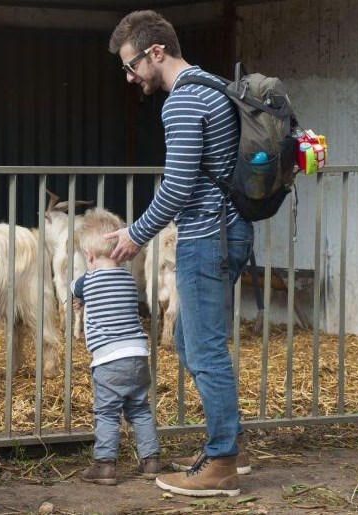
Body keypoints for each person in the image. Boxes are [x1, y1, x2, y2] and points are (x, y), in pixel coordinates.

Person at [106, 10, 254, 497]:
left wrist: (136, 234)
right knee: (191, 340)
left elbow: (179, 185)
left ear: (156, 53)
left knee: (205, 348)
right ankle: (227, 444)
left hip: (207, 237)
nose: (129, 79)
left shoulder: (183, 100)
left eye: (131, 66)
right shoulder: (213, 84)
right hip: (231, 231)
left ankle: (223, 464)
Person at [70, 207, 162, 486]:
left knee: (107, 413)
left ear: (88, 256)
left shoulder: (88, 280)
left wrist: (80, 299)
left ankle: (105, 464)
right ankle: (151, 460)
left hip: (109, 360)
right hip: (137, 355)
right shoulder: (129, 280)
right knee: (140, 409)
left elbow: (74, 288)